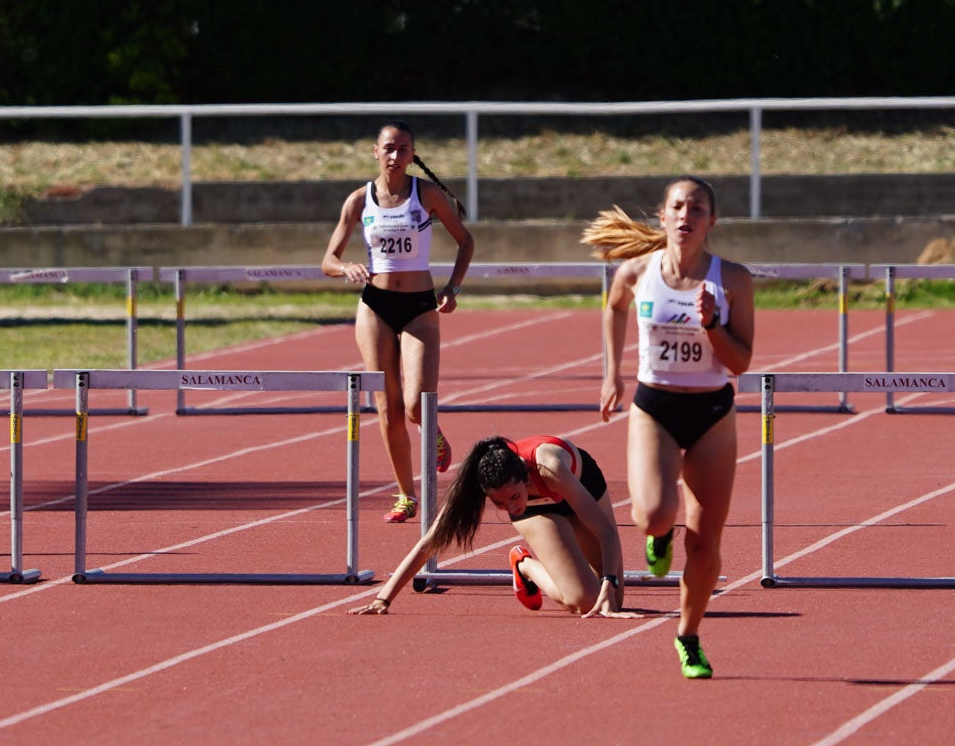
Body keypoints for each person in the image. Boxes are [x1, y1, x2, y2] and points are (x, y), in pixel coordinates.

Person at [582, 176, 755, 679]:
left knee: (704, 543)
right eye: (678, 207)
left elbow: (741, 362)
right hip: (655, 407)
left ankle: (689, 635)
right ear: (663, 217)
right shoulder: (637, 272)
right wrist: (611, 372)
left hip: (712, 414)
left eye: (697, 208)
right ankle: (658, 536)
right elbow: (613, 309)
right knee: (656, 515)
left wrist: (712, 326)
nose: (686, 216)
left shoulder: (733, 281)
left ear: (711, 221)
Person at [322, 120, 474, 523]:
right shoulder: (359, 200)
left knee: (415, 405)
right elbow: (328, 260)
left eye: (403, 150)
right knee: (386, 407)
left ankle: (433, 432)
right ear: (376, 151)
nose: (395, 156)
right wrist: (346, 268)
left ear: (412, 155)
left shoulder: (427, 196)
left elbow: (466, 241)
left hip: (420, 307)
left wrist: (452, 289)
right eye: (389, 148)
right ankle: (406, 495)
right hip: (374, 306)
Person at [348, 434, 635, 617]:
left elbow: (606, 531)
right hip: (538, 511)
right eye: (499, 504)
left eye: (513, 497)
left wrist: (610, 581)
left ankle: (580, 578)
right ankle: (525, 565)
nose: (510, 508)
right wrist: (383, 598)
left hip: (580, 487)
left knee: (612, 597)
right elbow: (429, 543)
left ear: (525, 478)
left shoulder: (549, 466)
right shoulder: (488, 488)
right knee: (586, 602)